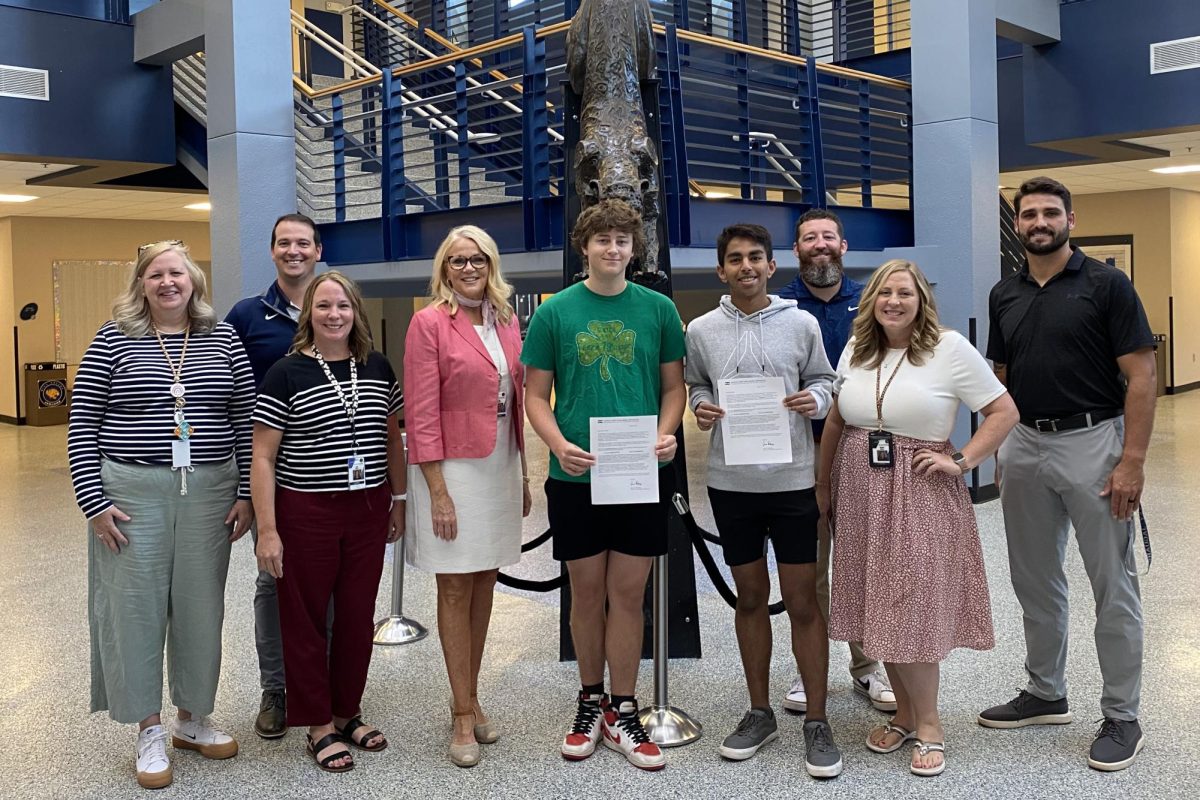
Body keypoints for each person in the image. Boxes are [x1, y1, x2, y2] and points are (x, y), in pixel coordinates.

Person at [980, 176, 1156, 772]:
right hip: (1026, 443)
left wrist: (1131, 461)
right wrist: (1002, 447)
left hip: (1094, 443)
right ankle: (1046, 692)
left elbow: (1141, 376)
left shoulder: (1107, 285)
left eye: (1050, 213)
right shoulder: (1004, 293)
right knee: (1033, 579)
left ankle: (1122, 713)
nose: (1038, 222)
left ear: (1070, 220)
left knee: (1113, 585)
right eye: (1029, 214)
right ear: (1020, 224)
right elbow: (999, 379)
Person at [817, 259, 1018, 777]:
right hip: (860, 489)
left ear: (921, 300)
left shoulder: (948, 348)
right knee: (876, 602)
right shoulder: (860, 349)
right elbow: (838, 418)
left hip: (919, 491)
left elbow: (1003, 411)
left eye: (905, 293)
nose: (894, 302)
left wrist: (963, 460)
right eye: (885, 293)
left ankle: (929, 724)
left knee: (910, 606)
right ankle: (904, 714)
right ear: (871, 302)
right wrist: (823, 485)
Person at [68, 241, 255, 789]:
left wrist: (244, 492)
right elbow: (81, 422)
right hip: (131, 492)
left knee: (201, 606)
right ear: (141, 284)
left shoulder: (223, 339)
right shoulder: (113, 338)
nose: (167, 283)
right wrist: (93, 504)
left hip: (211, 491)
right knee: (134, 609)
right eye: (155, 275)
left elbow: (244, 417)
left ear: (193, 280)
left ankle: (192, 718)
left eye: (176, 273)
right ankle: (148, 727)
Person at [522, 199, 686, 772]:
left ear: (633, 249)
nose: (612, 249)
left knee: (628, 596)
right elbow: (534, 396)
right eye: (602, 241)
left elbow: (673, 389)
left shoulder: (659, 311)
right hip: (577, 474)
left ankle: (624, 706)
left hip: (640, 472)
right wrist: (555, 444)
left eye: (622, 240)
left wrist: (667, 433)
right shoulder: (555, 314)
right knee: (586, 594)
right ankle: (590, 699)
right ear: (583, 248)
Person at [685, 224, 843, 776]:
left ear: (772, 266)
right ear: (721, 270)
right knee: (750, 597)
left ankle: (817, 721)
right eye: (735, 259)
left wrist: (815, 398)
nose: (746, 266)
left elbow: (828, 381)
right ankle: (759, 711)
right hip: (733, 486)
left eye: (756, 257)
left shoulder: (800, 323)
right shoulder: (701, 329)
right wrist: (701, 406)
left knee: (803, 600)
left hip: (794, 481)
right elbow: (697, 385)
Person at [250, 271, 406, 774]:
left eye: (342, 306)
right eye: (323, 307)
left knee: (358, 618)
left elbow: (391, 439)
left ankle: (347, 712)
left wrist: (398, 500)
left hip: (366, 510)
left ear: (356, 311)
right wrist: (268, 529)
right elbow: (262, 456)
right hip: (306, 512)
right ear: (308, 314)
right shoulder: (286, 372)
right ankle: (317, 723)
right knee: (306, 618)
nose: (334, 315)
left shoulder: (378, 366)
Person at [404, 225, 532, 768]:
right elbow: (421, 411)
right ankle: (460, 712)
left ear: (491, 263)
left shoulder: (506, 320)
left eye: (477, 258)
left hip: (500, 463)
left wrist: (523, 473)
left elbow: (517, 397)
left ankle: (472, 694)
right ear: (444, 269)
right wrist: (437, 491)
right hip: (451, 469)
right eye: (457, 261)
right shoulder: (428, 323)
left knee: (484, 582)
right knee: (455, 586)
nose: (468, 268)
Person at [777, 209, 895, 715]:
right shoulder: (778, 306)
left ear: (843, 246)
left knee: (867, 564)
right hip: (796, 454)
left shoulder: (873, 303)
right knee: (811, 570)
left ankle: (869, 668)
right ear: (797, 250)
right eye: (809, 238)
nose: (820, 245)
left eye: (828, 237)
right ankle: (813, 670)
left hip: (864, 453)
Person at [225, 212, 323, 738]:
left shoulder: (337, 305)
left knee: (326, 584)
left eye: (303, 243)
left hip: (329, 473)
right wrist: (244, 489)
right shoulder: (246, 316)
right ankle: (278, 689)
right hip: (270, 473)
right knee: (273, 580)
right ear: (271, 251)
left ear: (317, 249)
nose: (293, 251)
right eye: (284, 242)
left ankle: (323, 687)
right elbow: (226, 401)